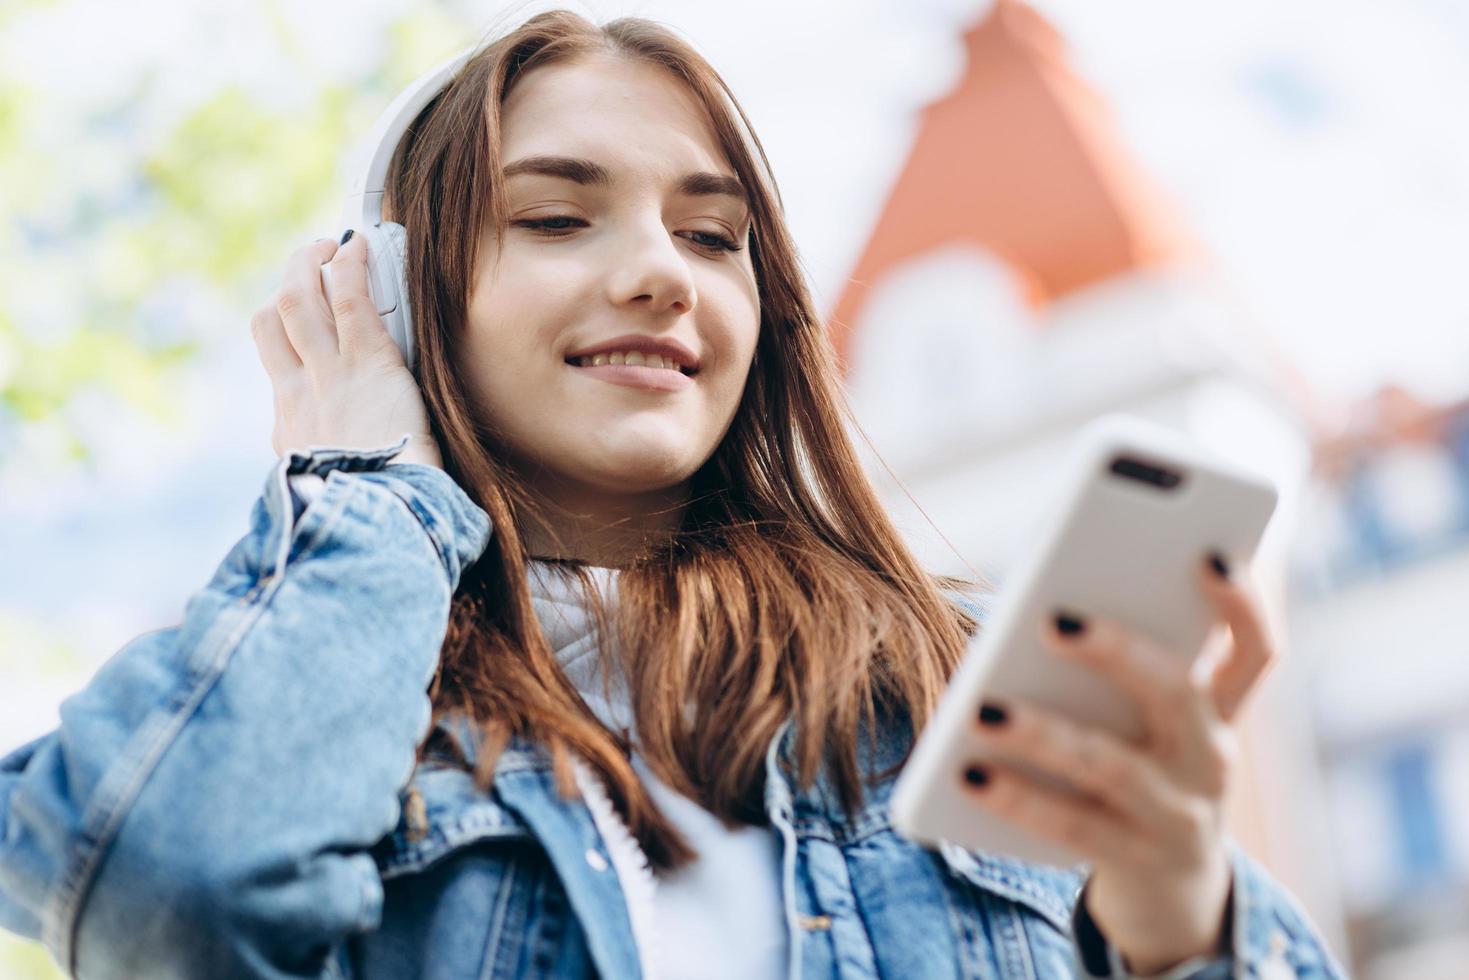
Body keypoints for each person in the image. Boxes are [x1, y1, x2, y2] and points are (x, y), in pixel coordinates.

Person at [0, 9, 1345, 979]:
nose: (663, 274)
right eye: (553, 217)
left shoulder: (950, 685)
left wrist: (1183, 925)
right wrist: (364, 485)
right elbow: (171, 896)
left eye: (712, 236)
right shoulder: (286, 695)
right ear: (400, 304)